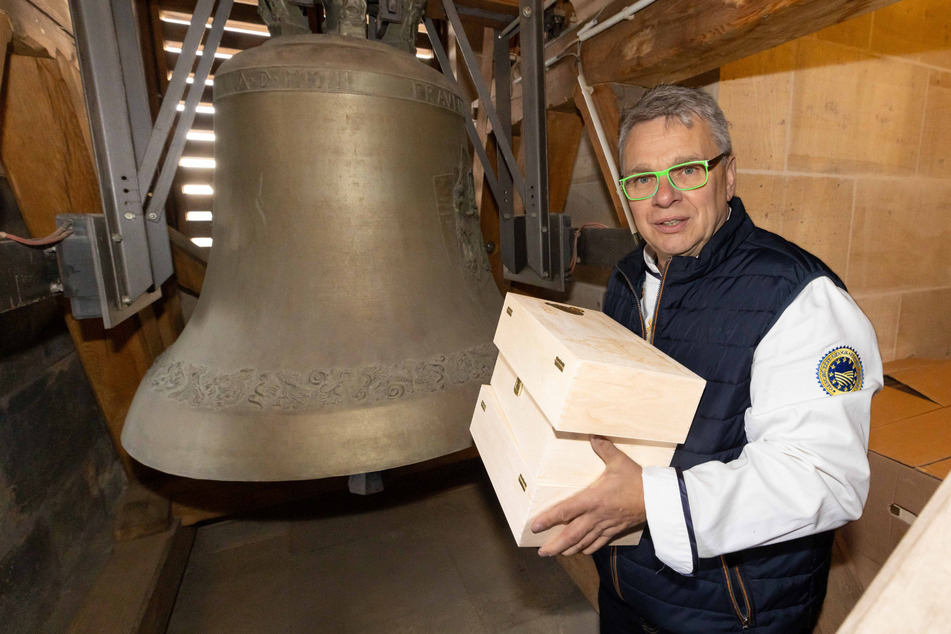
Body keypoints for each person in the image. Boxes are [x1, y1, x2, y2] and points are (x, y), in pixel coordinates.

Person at [530, 84, 883, 633]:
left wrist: (653, 501)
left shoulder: (801, 298)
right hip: (624, 590)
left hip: (733, 613)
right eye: (642, 178)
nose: (663, 197)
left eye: (688, 170)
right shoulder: (626, 280)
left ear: (729, 175)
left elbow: (822, 478)